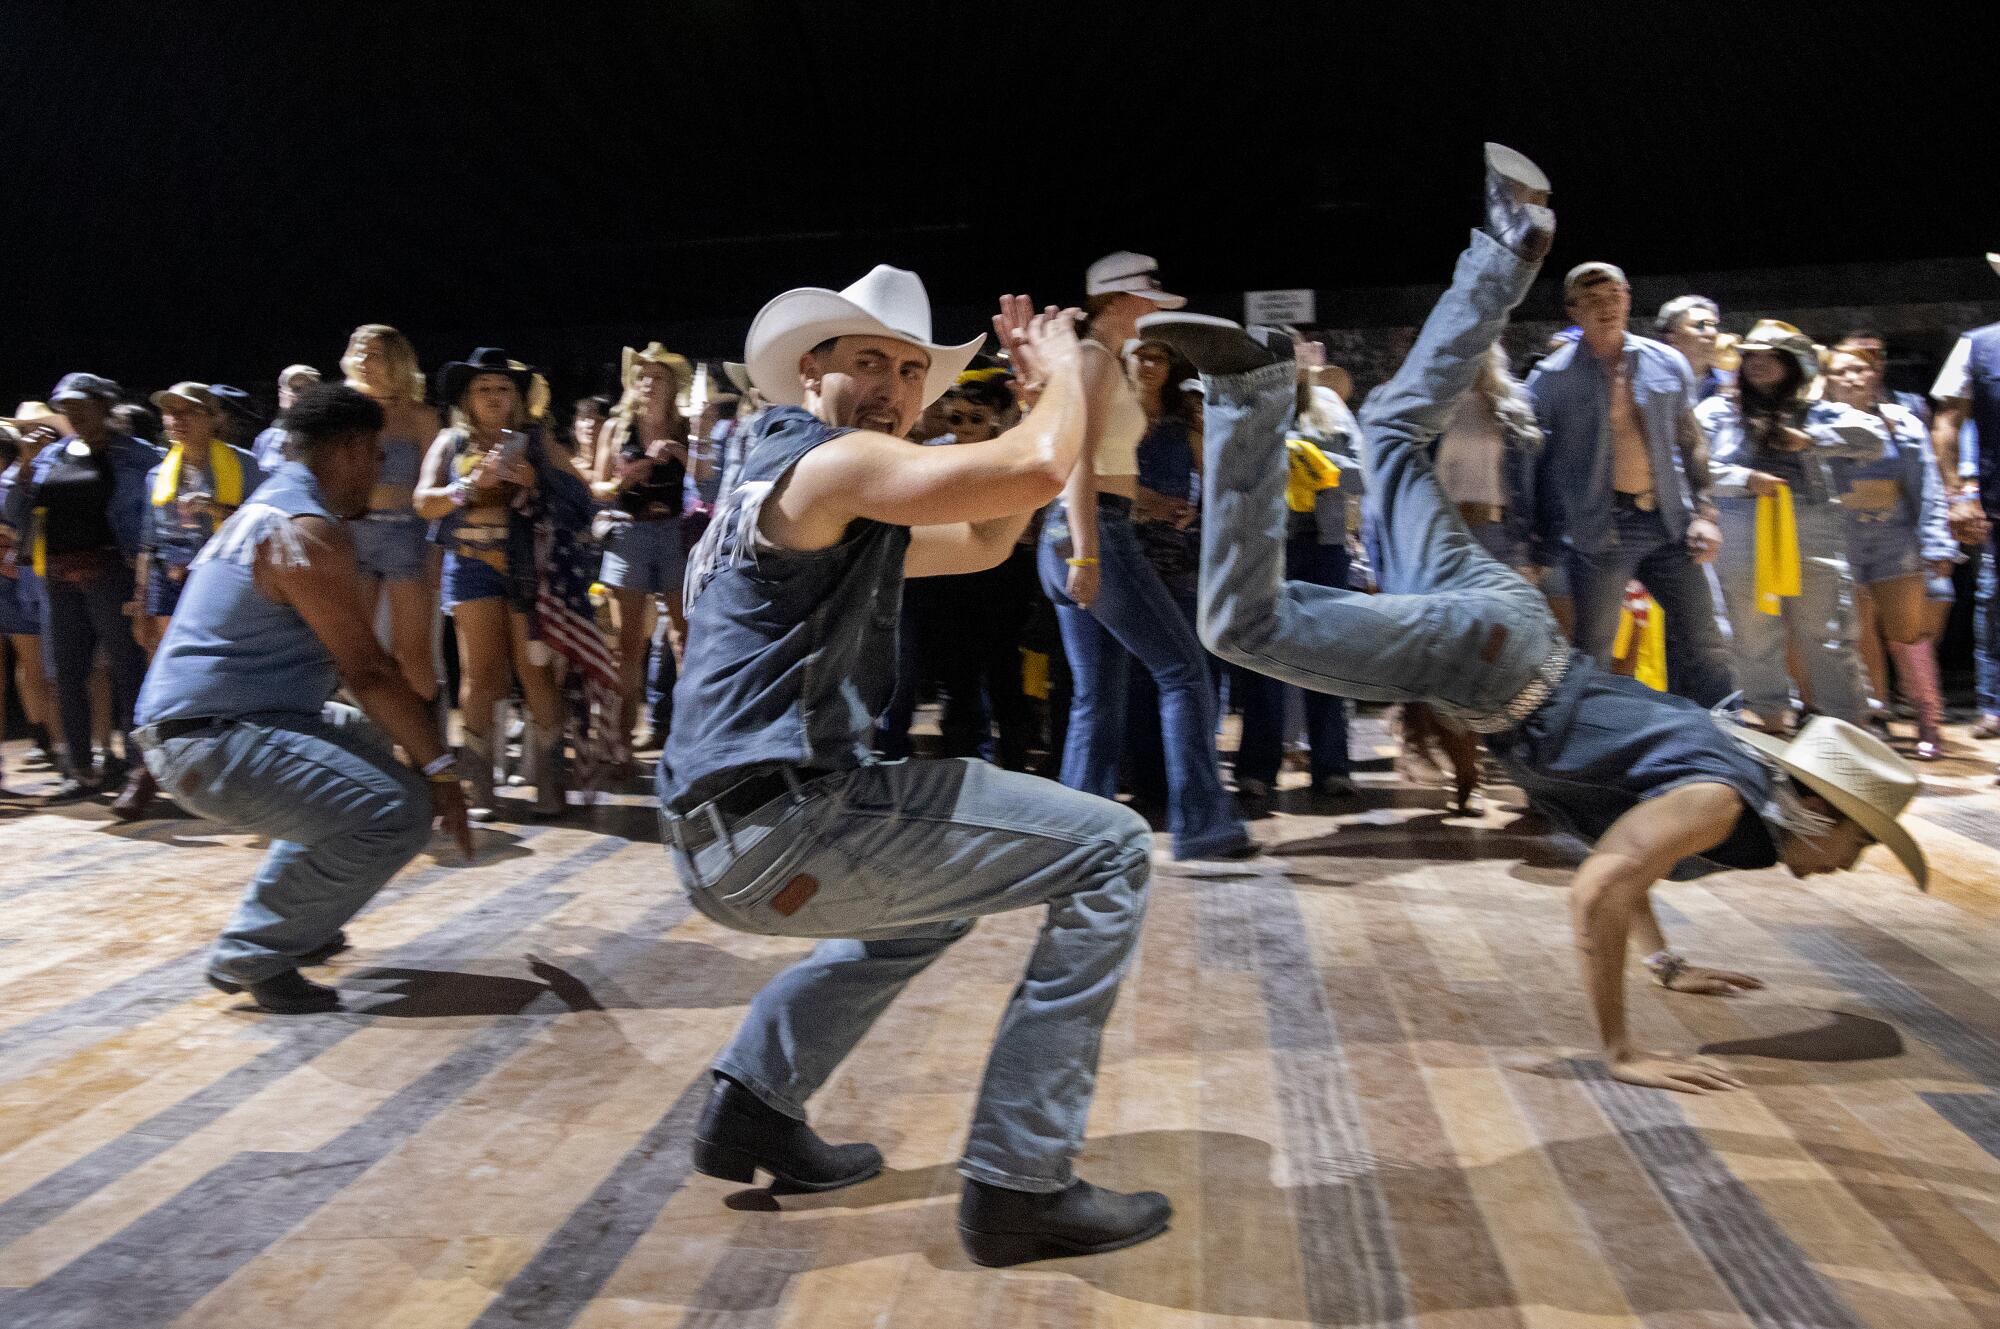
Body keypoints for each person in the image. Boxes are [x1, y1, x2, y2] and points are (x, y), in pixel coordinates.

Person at [1149, 143, 1927, 1095]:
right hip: (1489, 667)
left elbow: (1630, 852)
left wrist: (1668, 963)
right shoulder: (1724, 802)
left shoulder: (1733, 768)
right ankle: (1248, 395)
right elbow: (1604, 884)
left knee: (1392, 426)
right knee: (1242, 629)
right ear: (1818, 809)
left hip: (1506, 621)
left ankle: (1509, 249)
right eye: (1858, 841)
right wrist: (1623, 1049)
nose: (1849, 864)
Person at [661, 264, 1171, 1267]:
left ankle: (754, 1107)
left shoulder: (778, 482)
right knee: (1111, 850)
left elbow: (983, 542)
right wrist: (1071, 370)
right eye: (867, 362)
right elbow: (1028, 474)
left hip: (728, 835)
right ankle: (1021, 1186)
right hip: (785, 825)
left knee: (932, 902)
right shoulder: (828, 468)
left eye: (906, 368)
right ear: (810, 370)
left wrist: (1038, 409)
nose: (892, 386)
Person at [133, 385, 471, 1014]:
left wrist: (413, 746)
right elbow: (370, 672)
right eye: (375, 457)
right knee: (396, 811)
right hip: (208, 740)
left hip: (216, 724)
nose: (378, 473)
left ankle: (299, 920)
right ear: (346, 452)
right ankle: (256, 952)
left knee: (367, 743)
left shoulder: (268, 506)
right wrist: (442, 770)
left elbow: (364, 688)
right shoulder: (307, 534)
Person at [1039, 251, 1252, 860]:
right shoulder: (1096, 362)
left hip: (1080, 531)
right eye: (1150, 301)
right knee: (1184, 673)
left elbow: (1099, 466)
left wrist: (1148, 510)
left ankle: (1077, 834)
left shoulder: (1096, 360)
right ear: (1124, 301)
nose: (1157, 312)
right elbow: (1077, 460)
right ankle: (1204, 825)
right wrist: (1087, 554)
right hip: (1090, 537)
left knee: (1097, 696)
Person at [1527, 259, 1734, 706]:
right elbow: (1541, 469)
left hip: (1670, 520)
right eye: (1593, 300)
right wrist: (1543, 544)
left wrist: (1705, 512)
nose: (1607, 307)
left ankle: (1714, 738)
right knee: (1594, 648)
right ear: (1573, 311)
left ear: (1628, 300)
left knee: (1704, 641)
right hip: (1603, 528)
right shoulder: (1550, 379)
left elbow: (1691, 440)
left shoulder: (1666, 361)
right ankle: (1594, 744)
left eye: (1615, 296)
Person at [1697, 322, 1881, 730]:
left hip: (1811, 522)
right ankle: (1769, 720)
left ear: (1792, 365)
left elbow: (1873, 437)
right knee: (1750, 629)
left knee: (1826, 628)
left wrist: (1810, 438)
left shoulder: (1816, 411)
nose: (1758, 364)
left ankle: (1847, 729)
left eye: (1771, 357)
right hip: (1743, 519)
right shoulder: (1716, 410)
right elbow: (1693, 464)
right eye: (1752, 357)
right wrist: (1744, 478)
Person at [416, 347, 570, 819]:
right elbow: (424, 502)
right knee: (479, 675)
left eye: (503, 388)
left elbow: (578, 494)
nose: (494, 396)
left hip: (526, 568)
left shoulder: (536, 441)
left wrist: (535, 481)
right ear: (467, 397)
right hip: (470, 566)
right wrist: (467, 488)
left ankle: (550, 784)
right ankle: (479, 788)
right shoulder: (449, 442)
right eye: (483, 388)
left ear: (516, 397)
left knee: (534, 672)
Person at [3, 374, 159, 805]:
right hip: (57, 576)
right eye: (67, 407)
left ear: (104, 405)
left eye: (82, 405)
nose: (74, 414)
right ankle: (81, 770)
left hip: (111, 573)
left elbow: (154, 516)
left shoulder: (138, 455)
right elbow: (17, 514)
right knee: (66, 675)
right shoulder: (53, 453)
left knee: (129, 672)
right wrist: (27, 469)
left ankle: (135, 768)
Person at [1824, 344, 1957, 757]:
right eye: (1842, 370)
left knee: (1909, 633)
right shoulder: (1812, 424)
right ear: (1828, 378)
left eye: (1860, 370)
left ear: (1875, 376)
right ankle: (1874, 717)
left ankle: (1928, 719)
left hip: (1895, 540)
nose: (1852, 378)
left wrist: (1936, 541)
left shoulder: (1903, 424)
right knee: (1856, 633)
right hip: (1840, 541)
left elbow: (1927, 486)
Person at [591, 343, 701, 754]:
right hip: (630, 533)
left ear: (673, 385)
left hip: (676, 532)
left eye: (657, 377)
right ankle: (621, 740)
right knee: (628, 645)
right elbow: (598, 489)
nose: (649, 384)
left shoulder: (686, 426)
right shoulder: (618, 429)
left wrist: (680, 453)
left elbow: (708, 482)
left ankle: (689, 736)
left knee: (684, 638)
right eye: (642, 377)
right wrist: (625, 480)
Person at [341, 326, 445, 712]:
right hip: (354, 535)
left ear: (397, 362)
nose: (364, 362)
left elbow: (438, 488)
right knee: (357, 650)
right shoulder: (344, 411)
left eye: (375, 354)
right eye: (359, 353)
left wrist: (437, 553)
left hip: (407, 537)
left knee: (413, 652)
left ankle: (427, 751)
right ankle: (373, 743)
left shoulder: (421, 417)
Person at [136, 383, 264, 648]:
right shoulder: (157, 475)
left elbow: (265, 524)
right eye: (171, 412)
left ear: (213, 418)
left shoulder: (244, 464)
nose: (177, 419)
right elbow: (149, 543)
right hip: (171, 580)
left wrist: (214, 507)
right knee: (169, 654)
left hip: (224, 576)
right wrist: (141, 600)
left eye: (189, 411)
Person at [1929, 271, 2000, 744]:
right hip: (1998, 499)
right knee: (1995, 602)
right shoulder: (1978, 345)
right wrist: (1957, 495)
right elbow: (1948, 421)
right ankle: (1995, 703)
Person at [0, 423, 54, 794]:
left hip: (17, 583)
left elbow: (20, 531)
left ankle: (50, 741)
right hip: (13, 581)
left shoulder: (16, 482)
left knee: (34, 665)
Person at [1657, 295, 1729, 404]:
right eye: (1699, 326)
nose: (1712, 333)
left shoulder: (1731, 383)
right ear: (1672, 337)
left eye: (1713, 325)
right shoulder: (1653, 381)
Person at [251, 364, 323, 471]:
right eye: (287, 388)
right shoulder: (267, 438)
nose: (291, 395)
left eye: (298, 389)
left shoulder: (325, 438)